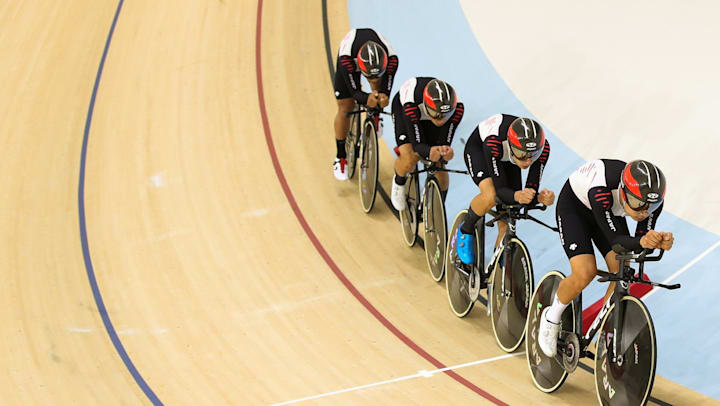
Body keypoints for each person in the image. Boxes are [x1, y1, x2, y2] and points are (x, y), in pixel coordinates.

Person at [538, 159, 674, 357]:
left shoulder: (651, 204)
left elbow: (639, 242)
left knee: (622, 268)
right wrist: (644, 242)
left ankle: (608, 329)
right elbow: (618, 241)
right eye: (638, 204)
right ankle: (551, 317)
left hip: (609, 211)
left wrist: (658, 241)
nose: (643, 212)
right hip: (575, 209)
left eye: (650, 207)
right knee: (585, 272)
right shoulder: (601, 191)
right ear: (623, 191)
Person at [455, 114, 554, 265]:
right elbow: (501, 191)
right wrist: (518, 195)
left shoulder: (542, 150)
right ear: (513, 147)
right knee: (491, 195)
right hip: (480, 150)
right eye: (523, 155)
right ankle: (465, 230)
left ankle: (498, 267)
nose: (528, 161)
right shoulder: (493, 144)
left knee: (509, 214)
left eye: (532, 156)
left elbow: (529, 193)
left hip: (509, 158)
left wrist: (540, 198)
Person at [333, 28, 399, 181]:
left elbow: (386, 92)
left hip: (376, 59)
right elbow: (355, 93)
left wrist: (382, 99)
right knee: (346, 107)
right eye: (369, 76)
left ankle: (375, 116)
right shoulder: (346, 61)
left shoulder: (392, 61)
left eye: (377, 75)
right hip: (350, 57)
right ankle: (341, 156)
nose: (373, 79)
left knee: (379, 92)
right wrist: (365, 97)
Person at [390, 77, 464, 210]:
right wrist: (429, 151)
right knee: (410, 158)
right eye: (437, 115)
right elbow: (417, 146)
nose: (441, 119)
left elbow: (445, 139)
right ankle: (398, 182)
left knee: (439, 166)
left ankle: (436, 209)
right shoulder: (410, 107)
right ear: (426, 105)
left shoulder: (456, 109)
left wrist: (444, 150)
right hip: (404, 111)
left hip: (428, 114)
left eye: (446, 115)